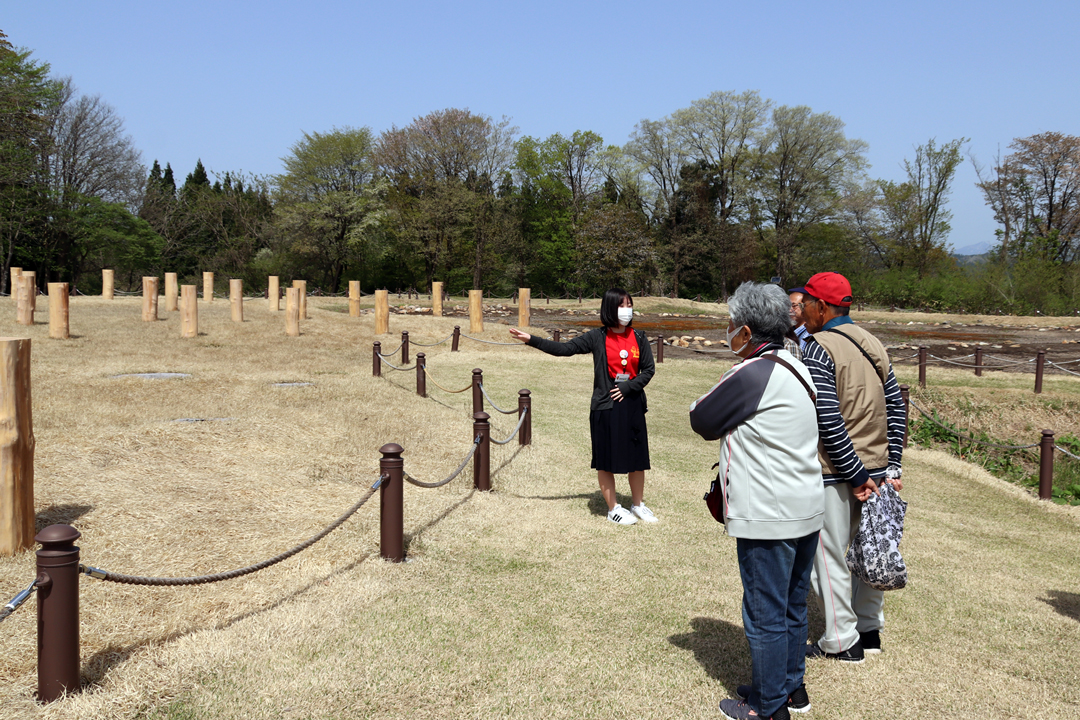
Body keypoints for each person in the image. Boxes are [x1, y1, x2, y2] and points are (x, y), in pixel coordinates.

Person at [689, 282, 824, 720]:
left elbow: (701, 417)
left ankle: (767, 708)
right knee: (791, 606)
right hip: (805, 506)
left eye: (730, 325)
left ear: (746, 331)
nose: (727, 332)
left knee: (764, 612)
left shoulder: (753, 372)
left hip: (768, 512)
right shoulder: (797, 365)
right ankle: (789, 688)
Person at [798, 271, 905, 662]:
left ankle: (842, 641)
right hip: (878, 469)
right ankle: (868, 630)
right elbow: (896, 405)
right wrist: (892, 464)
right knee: (871, 549)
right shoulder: (873, 342)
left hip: (837, 471)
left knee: (828, 556)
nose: (803, 310)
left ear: (822, 307)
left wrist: (854, 473)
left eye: (806, 302)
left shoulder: (818, 347)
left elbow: (828, 417)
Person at [509, 288, 657, 525]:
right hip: (606, 407)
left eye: (629, 304)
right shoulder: (597, 337)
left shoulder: (639, 337)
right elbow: (565, 349)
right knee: (606, 458)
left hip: (632, 406)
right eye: (621, 305)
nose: (627, 310)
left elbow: (649, 369)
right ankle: (613, 509)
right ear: (609, 308)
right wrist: (531, 340)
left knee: (637, 458)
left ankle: (638, 505)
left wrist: (629, 387)